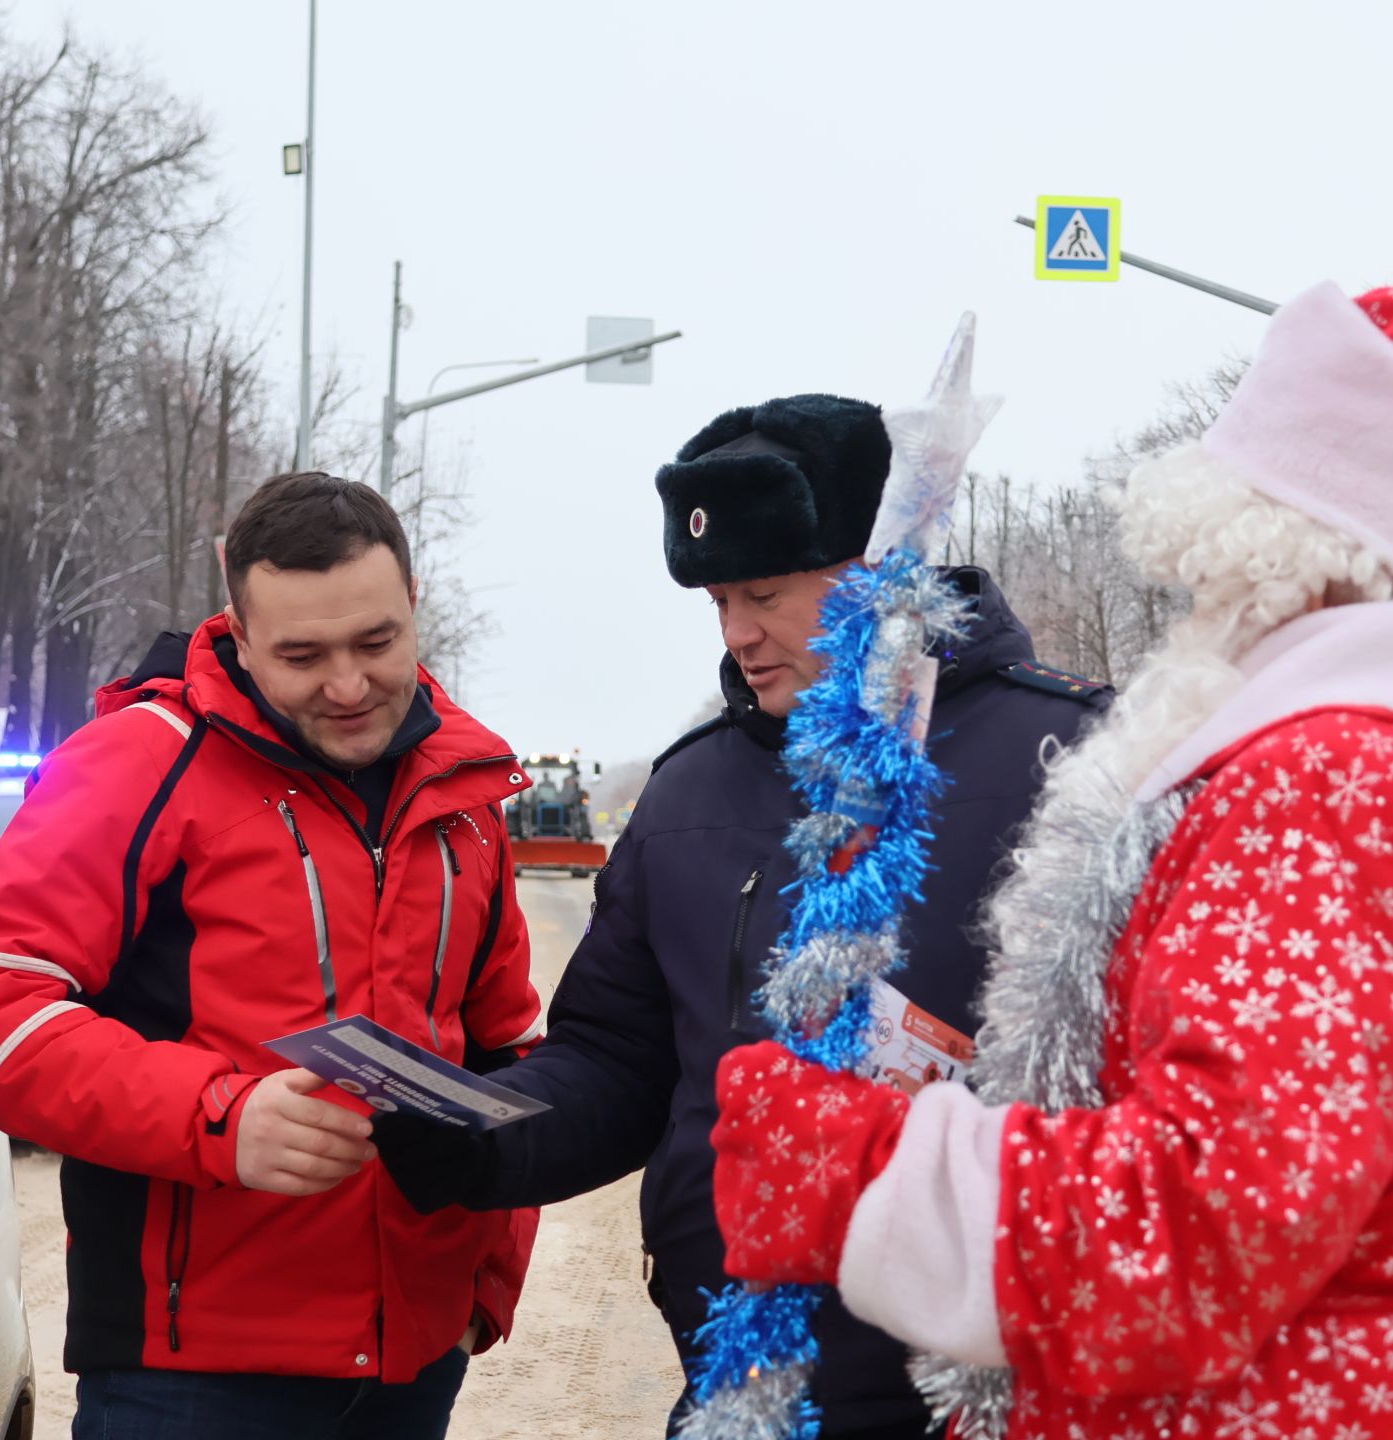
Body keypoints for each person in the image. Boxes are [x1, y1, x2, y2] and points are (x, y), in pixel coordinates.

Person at [708, 286, 1393, 1438]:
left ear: (1279, 540)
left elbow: (1207, 1218)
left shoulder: (1328, 795)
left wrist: (861, 1169)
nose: (1201, 609)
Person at [372, 393, 1111, 1437]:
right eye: (718, 602)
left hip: (1008, 1392)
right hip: (746, 1389)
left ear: (879, 571)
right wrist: (479, 1141)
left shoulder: (1079, 761)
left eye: (764, 592)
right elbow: (621, 1063)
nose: (739, 635)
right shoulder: (687, 796)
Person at [0, 472, 543, 1440]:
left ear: (413, 606)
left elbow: (508, 1044)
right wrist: (221, 1117)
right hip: (191, 1381)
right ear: (240, 630)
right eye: (302, 654)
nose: (347, 685)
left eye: (375, 643)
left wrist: (488, 1279)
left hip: (416, 1365)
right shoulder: (139, 758)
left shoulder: (462, 789)